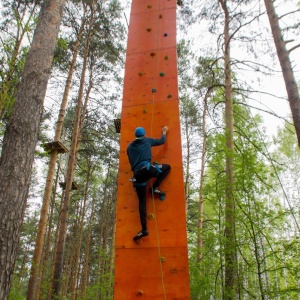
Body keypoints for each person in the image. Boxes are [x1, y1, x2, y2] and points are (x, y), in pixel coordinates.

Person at [127, 126, 171, 242]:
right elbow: (162, 141)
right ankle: (154, 188)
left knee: (142, 201)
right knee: (166, 168)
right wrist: (164, 132)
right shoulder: (147, 140)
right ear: (144, 134)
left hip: (137, 176)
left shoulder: (129, 147)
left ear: (135, 136)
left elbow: (131, 160)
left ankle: (144, 229)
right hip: (147, 169)